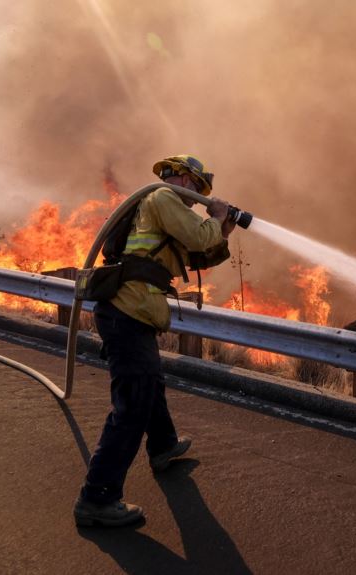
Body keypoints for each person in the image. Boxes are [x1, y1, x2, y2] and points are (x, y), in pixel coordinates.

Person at [74, 154, 236, 527]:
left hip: (132, 312)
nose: (196, 197)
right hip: (127, 312)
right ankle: (97, 498)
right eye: (195, 188)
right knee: (132, 406)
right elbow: (198, 235)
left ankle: (163, 447)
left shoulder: (164, 209)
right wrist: (214, 218)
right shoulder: (161, 198)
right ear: (178, 177)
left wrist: (222, 230)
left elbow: (198, 253)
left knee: (150, 382)